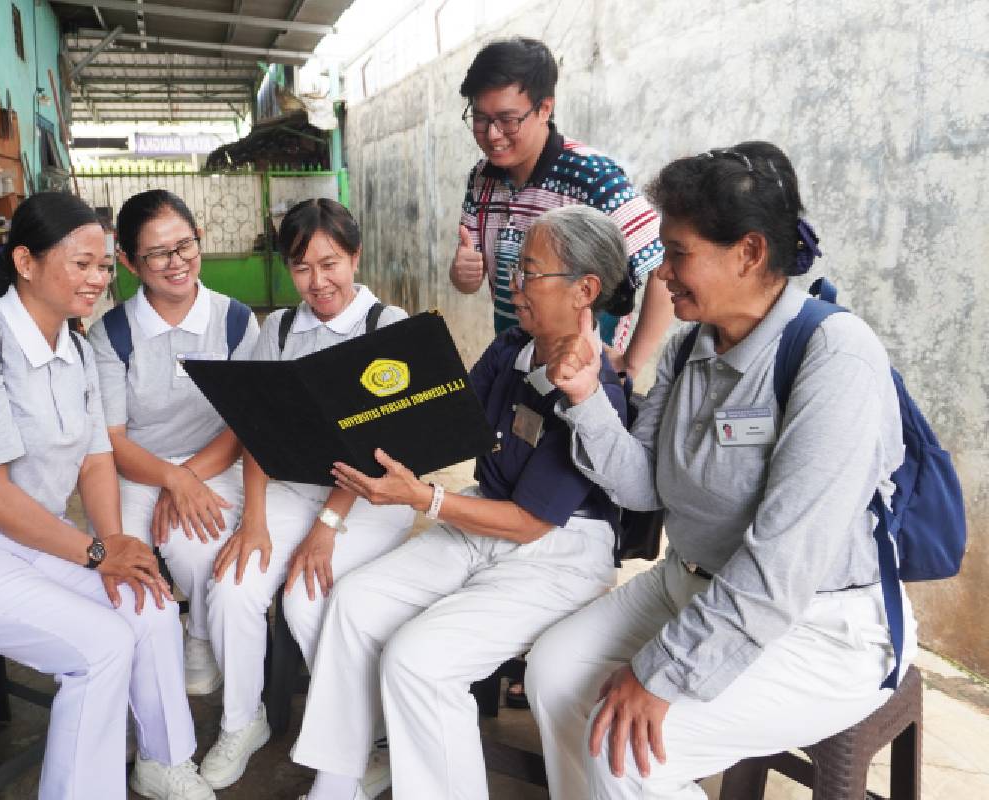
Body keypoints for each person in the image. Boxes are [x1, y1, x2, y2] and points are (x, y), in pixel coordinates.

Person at [526, 141, 917, 800]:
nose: (661, 275)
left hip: (819, 625)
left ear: (750, 252)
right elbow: (647, 485)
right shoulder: (690, 348)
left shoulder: (834, 357)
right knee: (553, 671)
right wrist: (589, 399)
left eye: (678, 254)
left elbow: (780, 568)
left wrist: (663, 673)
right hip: (691, 582)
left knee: (625, 754)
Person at [0, 192, 215, 800]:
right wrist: (93, 554)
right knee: (101, 647)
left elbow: (95, 460)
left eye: (105, 265)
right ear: (27, 263)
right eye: (81, 263)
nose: (97, 278)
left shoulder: (75, 348)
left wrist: (115, 541)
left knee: (151, 605)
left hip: (29, 540)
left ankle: (165, 764)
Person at [291, 204, 628, 800]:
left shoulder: (596, 393)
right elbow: (439, 422)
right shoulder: (511, 348)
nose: (515, 285)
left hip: (557, 549)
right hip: (480, 519)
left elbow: (531, 523)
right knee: (355, 599)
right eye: (516, 269)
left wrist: (423, 497)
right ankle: (340, 778)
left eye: (531, 272)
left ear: (586, 290)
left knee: (418, 660)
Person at [198, 198, 416, 791]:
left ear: (356, 256)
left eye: (331, 263)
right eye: (301, 267)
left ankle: (354, 748)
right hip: (292, 489)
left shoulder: (386, 329)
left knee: (304, 599)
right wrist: (255, 521)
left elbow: (378, 451)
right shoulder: (281, 330)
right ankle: (244, 723)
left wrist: (325, 530)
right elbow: (256, 428)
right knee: (233, 585)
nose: (317, 282)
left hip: (367, 501)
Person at [87, 189, 258, 696]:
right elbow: (112, 440)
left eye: (185, 246)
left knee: (200, 553)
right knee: (125, 566)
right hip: (136, 470)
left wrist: (187, 479)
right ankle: (131, 673)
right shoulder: (112, 333)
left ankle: (200, 638)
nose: (176, 263)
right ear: (129, 262)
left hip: (217, 461)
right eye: (157, 253)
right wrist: (170, 479)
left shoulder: (234, 321)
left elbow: (244, 426)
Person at [450, 36, 674, 379]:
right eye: (480, 118)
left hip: (583, 373)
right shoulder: (482, 180)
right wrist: (462, 273)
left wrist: (631, 362)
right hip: (517, 360)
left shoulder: (593, 178)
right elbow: (469, 280)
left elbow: (662, 266)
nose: (492, 134)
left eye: (508, 120)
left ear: (544, 109)